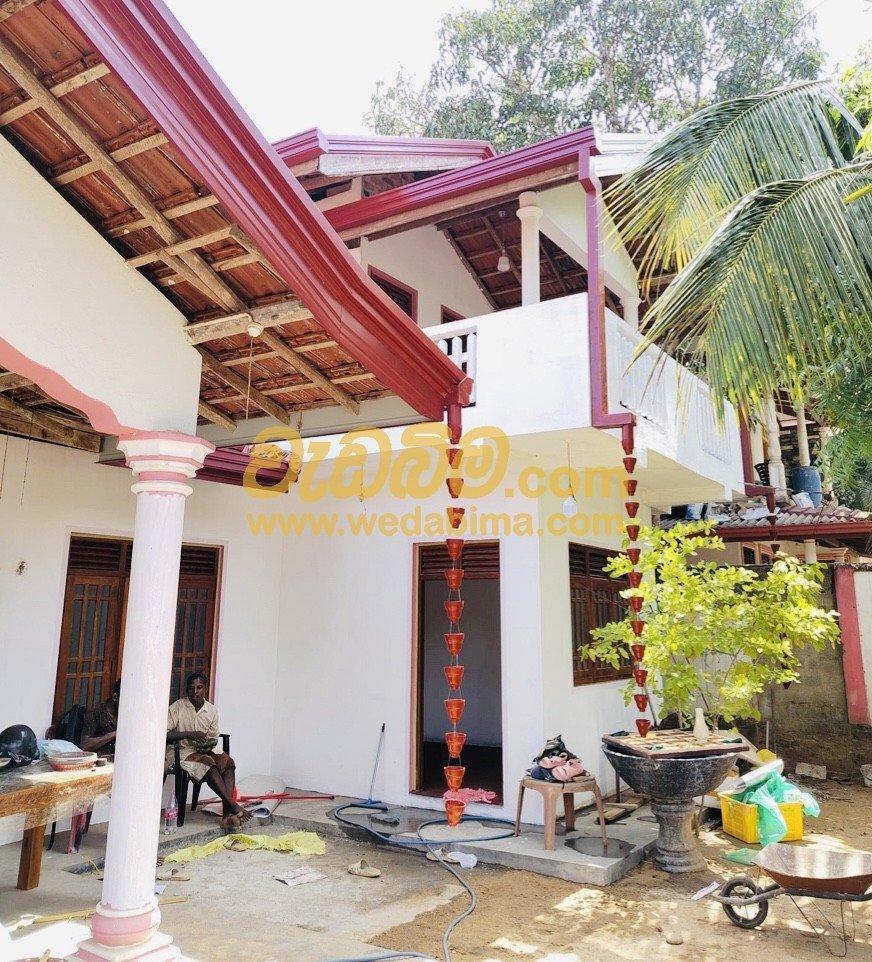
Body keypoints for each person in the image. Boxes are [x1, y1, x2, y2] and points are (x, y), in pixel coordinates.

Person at [166, 672, 249, 829]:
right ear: (187, 690)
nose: (195, 692)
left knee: (227, 762)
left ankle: (227, 815)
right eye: (191, 688)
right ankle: (233, 805)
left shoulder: (211, 711)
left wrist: (208, 745)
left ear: (205, 689)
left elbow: (212, 737)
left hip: (203, 750)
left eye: (199, 687)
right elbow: (164, 734)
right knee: (208, 763)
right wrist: (190, 734)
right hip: (181, 751)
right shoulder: (177, 707)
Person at [80, 680, 120, 755]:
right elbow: (85, 745)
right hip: (99, 757)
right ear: (115, 697)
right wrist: (113, 735)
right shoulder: (95, 712)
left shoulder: (128, 713)